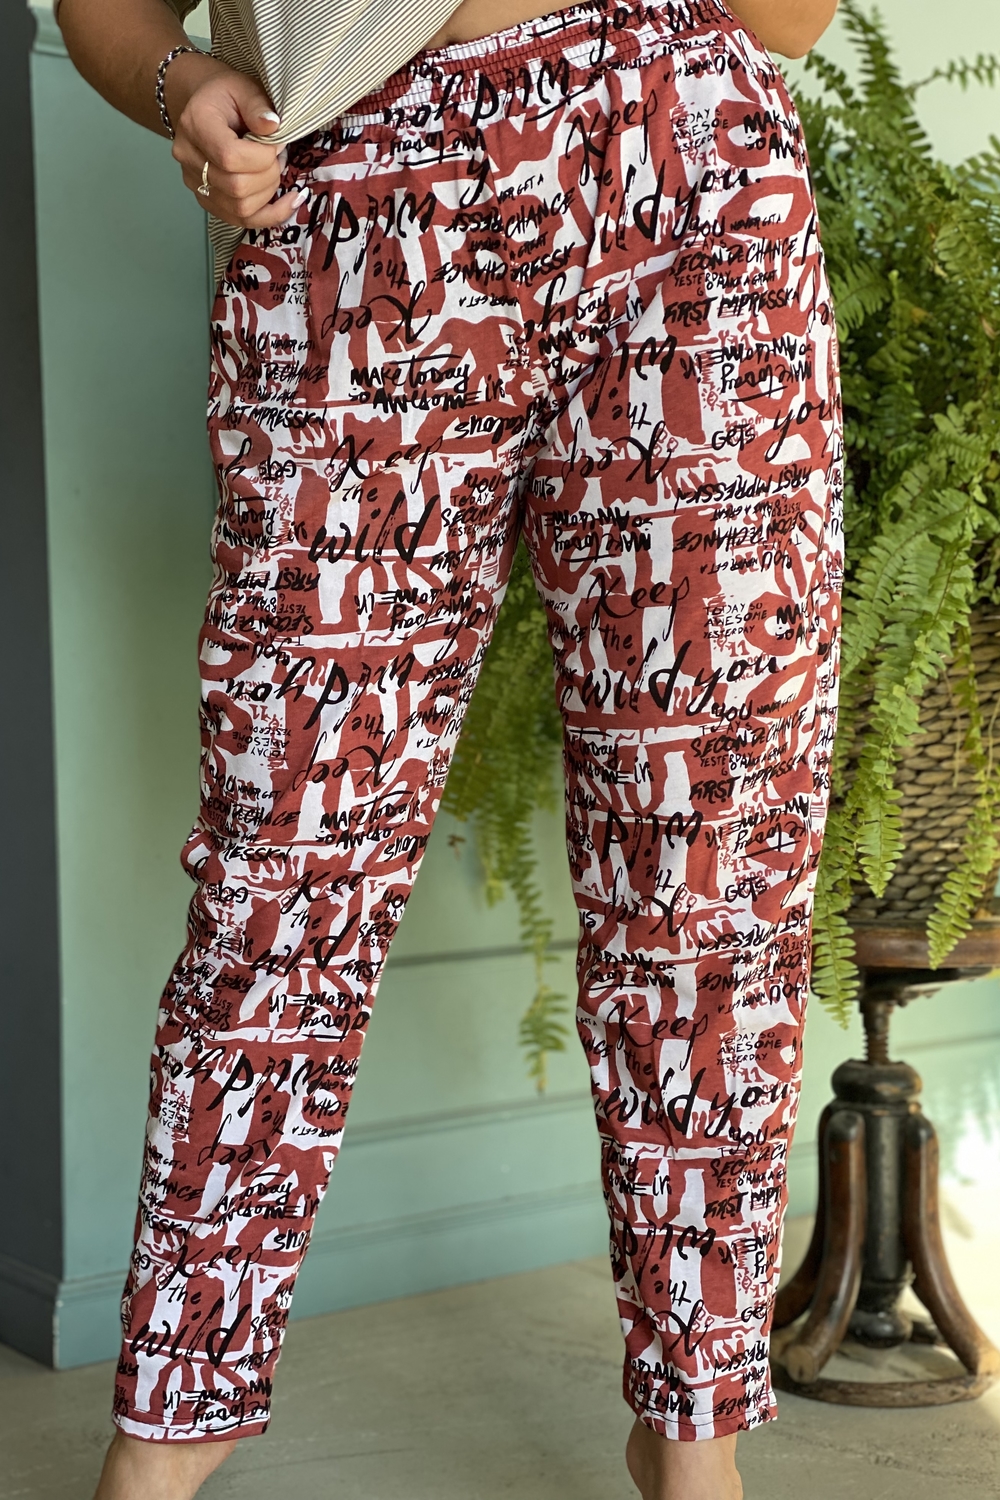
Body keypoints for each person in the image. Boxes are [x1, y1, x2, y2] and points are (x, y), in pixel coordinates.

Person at [56, 0, 843, 1495]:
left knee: (712, 858)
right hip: (357, 181)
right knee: (286, 856)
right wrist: (183, 80)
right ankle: (168, 1427)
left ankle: (696, 1435)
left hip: (683, 160)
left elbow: (790, 21)